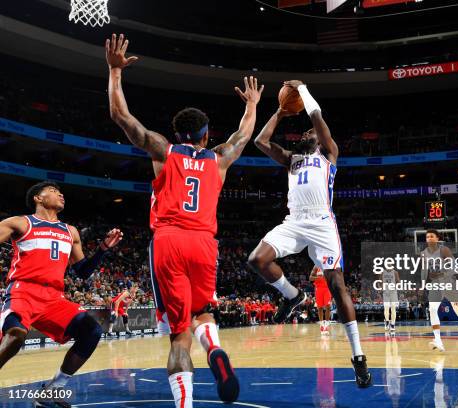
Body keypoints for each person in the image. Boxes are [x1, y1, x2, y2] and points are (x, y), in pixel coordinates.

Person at [106, 33, 264, 406]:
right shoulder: (219, 157)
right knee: (203, 311)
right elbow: (243, 135)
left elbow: (121, 117)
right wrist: (252, 104)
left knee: (178, 336)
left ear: (178, 134)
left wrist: (115, 72)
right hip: (205, 243)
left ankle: (185, 403)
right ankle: (214, 349)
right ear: (207, 135)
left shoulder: (163, 150)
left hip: (170, 240)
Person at [247, 80, 372, 388]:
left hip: (321, 223)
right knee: (256, 259)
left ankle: (358, 357)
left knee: (337, 285)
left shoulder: (329, 153)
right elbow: (261, 142)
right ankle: (293, 296)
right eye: (302, 132)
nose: (305, 133)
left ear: (319, 139)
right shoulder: (292, 160)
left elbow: (315, 115)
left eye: (309, 132)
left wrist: (302, 90)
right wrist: (279, 110)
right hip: (294, 221)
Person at [0, 181, 122, 407]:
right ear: (38, 197)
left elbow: (82, 271)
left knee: (92, 330)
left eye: (60, 191)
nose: (61, 194)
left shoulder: (70, 231)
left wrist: (103, 250)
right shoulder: (20, 222)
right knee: (16, 333)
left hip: (54, 298)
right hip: (23, 291)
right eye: (54, 191)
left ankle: (53, 389)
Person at [421, 229, 458, 352]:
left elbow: (452, 265)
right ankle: (438, 340)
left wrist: (453, 270)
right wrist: (422, 284)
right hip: (435, 284)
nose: (429, 239)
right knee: (432, 309)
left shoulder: (444, 250)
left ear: (437, 238)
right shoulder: (424, 253)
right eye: (427, 237)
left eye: (431, 236)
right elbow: (424, 270)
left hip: (448, 283)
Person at [309, 266, 332, 334]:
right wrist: (319, 278)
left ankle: (327, 324)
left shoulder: (328, 266)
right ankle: (322, 325)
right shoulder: (316, 267)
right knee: (320, 307)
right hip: (318, 289)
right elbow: (310, 278)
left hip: (327, 288)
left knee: (328, 306)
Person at [382, 268, 400, 333]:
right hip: (386, 292)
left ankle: (392, 324)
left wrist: (395, 284)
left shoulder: (395, 272)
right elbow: (380, 281)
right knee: (386, 308)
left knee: (393, 308)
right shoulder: (382, 272)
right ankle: (387, 321)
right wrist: (382, 288)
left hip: (393, 292)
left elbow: (398, 281)